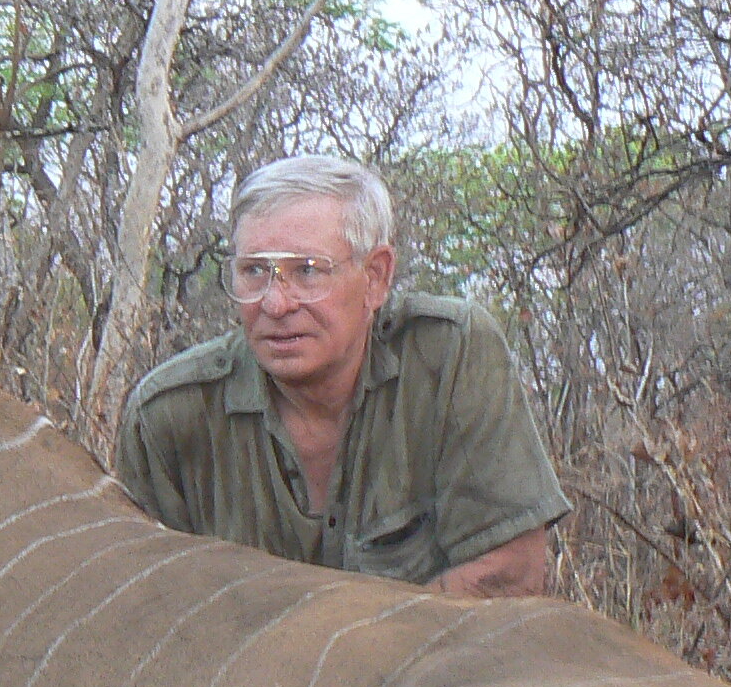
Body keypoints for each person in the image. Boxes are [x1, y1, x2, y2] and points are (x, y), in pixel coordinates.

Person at [113, 155, 567, 596]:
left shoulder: (449, 353)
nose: (275, 304)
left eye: (307, 272)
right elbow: (148, 605)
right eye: (254, 271)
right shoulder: (168, 414)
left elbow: (511, 572)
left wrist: (351, 660)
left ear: (375, 277)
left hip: (428, 668)